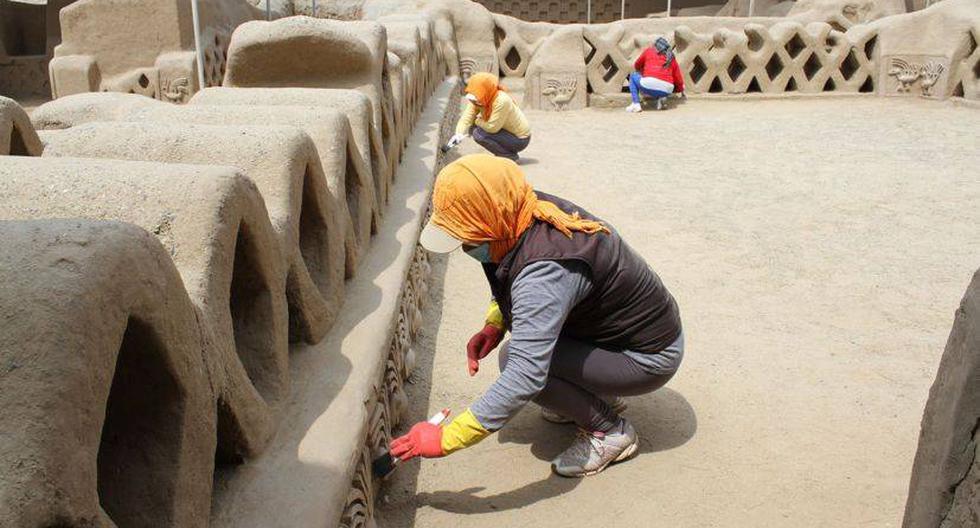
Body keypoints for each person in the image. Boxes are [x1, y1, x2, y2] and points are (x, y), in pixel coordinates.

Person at [389, 154, 684, 478]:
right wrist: (495, 323)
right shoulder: (516, 210)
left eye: (466, 236)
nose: (464, 246)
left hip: (646, 358)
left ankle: (611, 431)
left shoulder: (544, 271)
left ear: (489, 217)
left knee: (515, 360)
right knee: (526, 356)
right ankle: (592, 395)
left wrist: (446, 438)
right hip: (619, 335)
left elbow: (525, 374)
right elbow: (509, 275)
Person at [444, 73, 531, 162]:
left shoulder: (501, 100)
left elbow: (492, 128)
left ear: (485, 91)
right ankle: (506, 154)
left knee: (478, 134)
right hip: (505, 132)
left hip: (520, 139)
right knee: (472, 128)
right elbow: (466, 118)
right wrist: (458, 134)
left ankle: (508, 156)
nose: (474, 102)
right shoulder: (478, 99)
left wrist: (477, 121)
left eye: (476, 98)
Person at [627, 37, 685, 113]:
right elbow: (678, 78)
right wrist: (679, 89)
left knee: (633, 76)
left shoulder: (649, 51)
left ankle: (636, 104)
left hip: (649, 84)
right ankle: (661, 99)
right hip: (667, 89)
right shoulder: (671, 57)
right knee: (661, 81)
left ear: (656, 45)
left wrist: (644, 70)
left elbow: (637, 65)